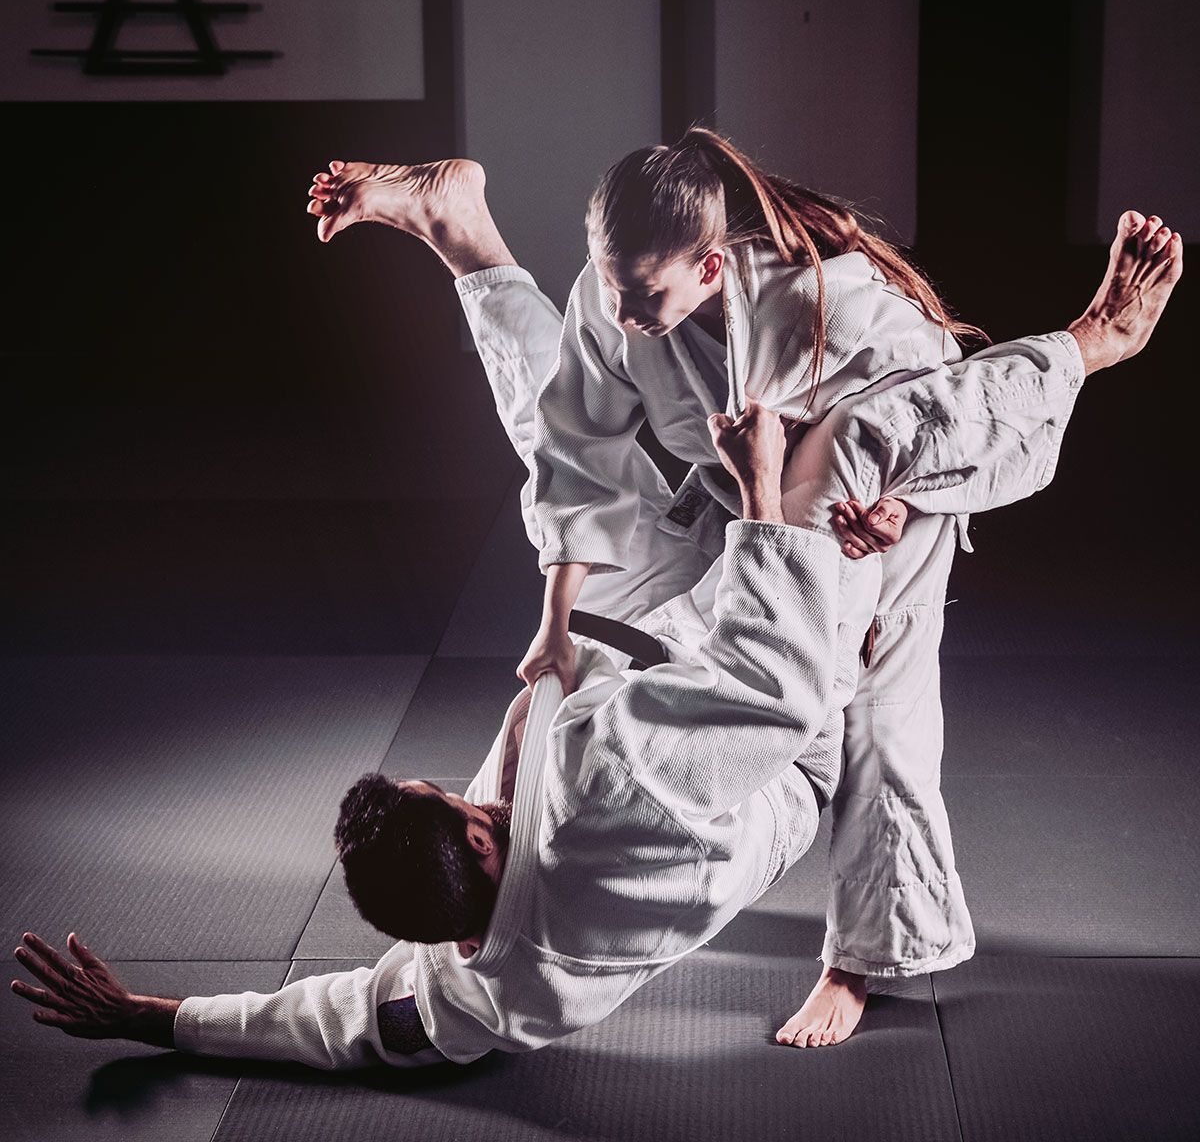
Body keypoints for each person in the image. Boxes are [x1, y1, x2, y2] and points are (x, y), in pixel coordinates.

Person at [10, 213, 1179, 1065]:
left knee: (584, 492)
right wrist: (777, 501)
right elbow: (774, 688)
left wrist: (160, 1018)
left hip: (677, 670)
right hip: (783, 715)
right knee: (853, 474)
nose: (465, 784)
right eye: (459, 794)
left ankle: (468, 239)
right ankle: (1093, 342)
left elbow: (339, 1023)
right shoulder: (596, 783)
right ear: (478, 833)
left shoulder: (480, 999)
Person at [301, 138, 1182, 1046]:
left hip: (870, 511)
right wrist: (558, 621)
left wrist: (892, 508)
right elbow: (574, 449)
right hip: (732, 498)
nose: (623, 309)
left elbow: (939, 419)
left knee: (879, 719)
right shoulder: (618, 296)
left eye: (645, 293)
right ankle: (463, 230)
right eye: (611, 284)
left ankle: (863, 961)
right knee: (557, 405)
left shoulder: (828, 309)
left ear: (712, 265)